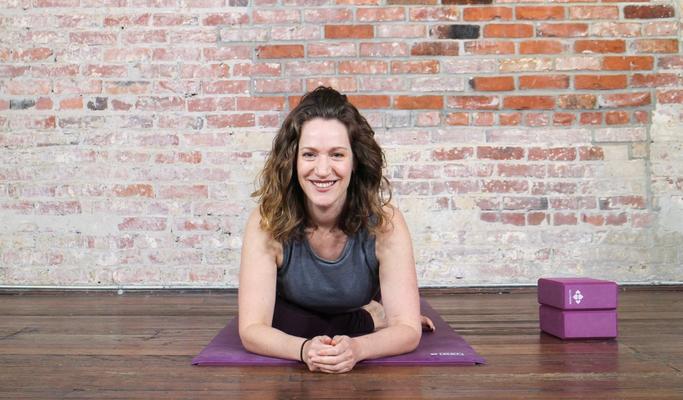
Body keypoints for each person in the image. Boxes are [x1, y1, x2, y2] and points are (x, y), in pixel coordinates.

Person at [238, 86, 433, 374]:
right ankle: (366, 318)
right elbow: (252, 329)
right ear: (292, 160)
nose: (322, 169)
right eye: (309, 155)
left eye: (337, 155)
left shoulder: (385, 222)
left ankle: (362, 319)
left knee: (293, 324)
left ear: (355, 161)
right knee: (286, 322)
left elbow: (407, 330)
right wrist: (303, 349)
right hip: (293, 313)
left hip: (321, 318)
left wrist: (358, 348)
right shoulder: (267, 221)